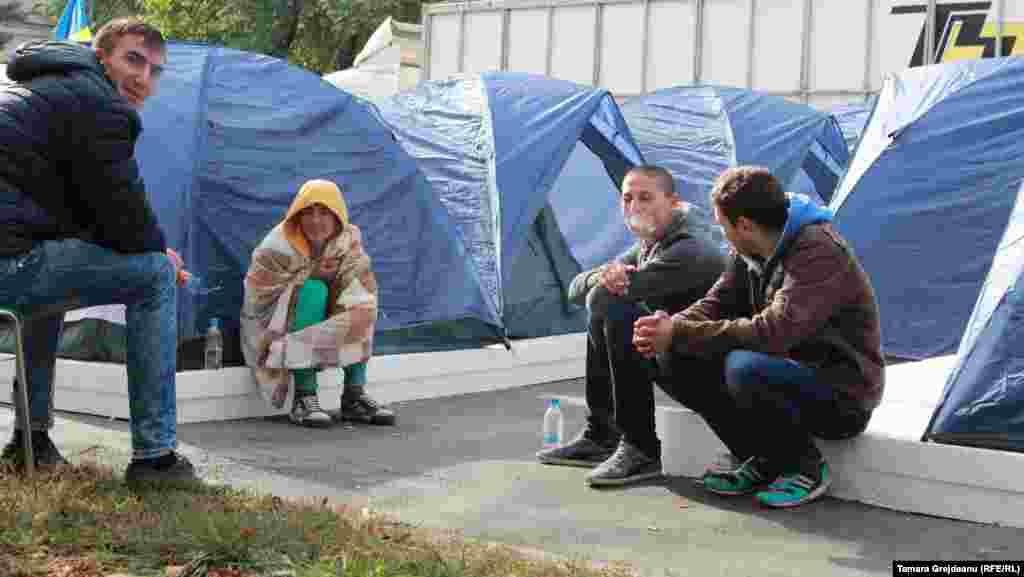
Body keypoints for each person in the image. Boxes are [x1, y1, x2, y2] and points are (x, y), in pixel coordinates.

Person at [0, 19, 198, 483]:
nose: (142, 79)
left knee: (51, 277)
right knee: (154, 277)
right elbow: (121, 207)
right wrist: (161, 254)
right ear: (102, 54)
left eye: (154, 70)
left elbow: (83, 211)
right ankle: (156, 457)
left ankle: (30, 440)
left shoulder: (48, 86)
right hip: (9, 262)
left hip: (15, 249)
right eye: (133, 59)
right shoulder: (97, 102)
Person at [632, 165, 884, 508]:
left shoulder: (818, 251)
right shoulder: (750, 249)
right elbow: (716, 303)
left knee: (744, 366)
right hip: (787, 373)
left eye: (723, 227)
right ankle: (761, 458)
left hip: (842, 395)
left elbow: (773, 332)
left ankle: (805, 468)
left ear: (745, 226)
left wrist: (677, 331)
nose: (723, 236)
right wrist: (669, 326)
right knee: (669, 357)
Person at [536, 165, 726, 486]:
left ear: (673, 202)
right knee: (603, 304)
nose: (634, 207)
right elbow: (574, 290)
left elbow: (601, 295)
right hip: (674, 354)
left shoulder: (690, 248)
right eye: (627, 199)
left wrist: (606, 280)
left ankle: (641, 447)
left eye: (646, 198)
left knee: (611, 305)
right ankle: (602, 434)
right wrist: (604, 274)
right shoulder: (651, 243)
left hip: (709, 370)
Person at [241, 179, 395, 428]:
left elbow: (359, 274)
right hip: (272, 320)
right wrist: (311, 275)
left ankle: (354, 395)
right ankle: (305, 395)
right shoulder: (277, 245)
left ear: (337, 216)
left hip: (323, 313)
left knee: (360, 296)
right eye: (309, 213)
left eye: (324, 212)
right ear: (297, 216)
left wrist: (339, 281)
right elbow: (258, 293)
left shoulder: (348, 239)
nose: (316, 220)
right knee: (313, 290)